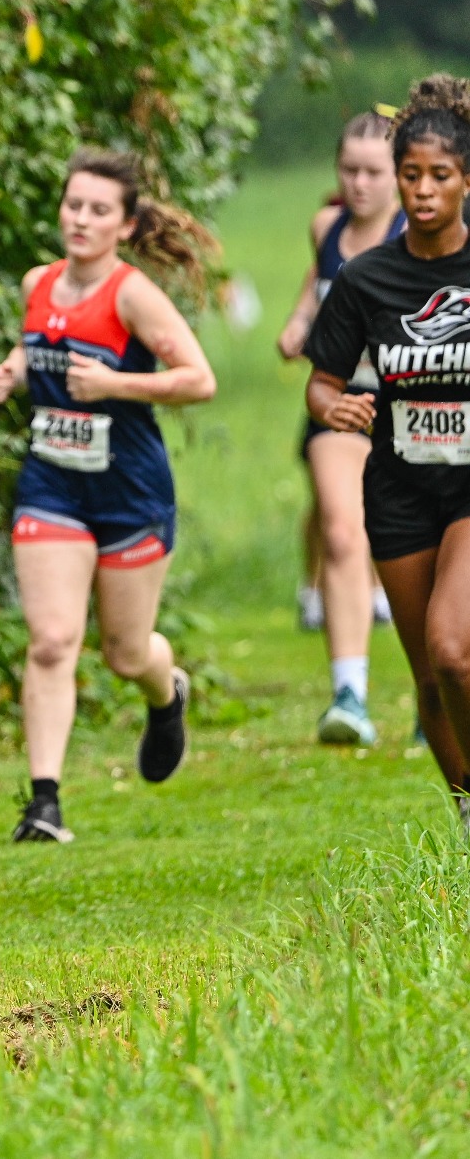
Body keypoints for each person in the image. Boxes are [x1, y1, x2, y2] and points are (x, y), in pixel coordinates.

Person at [0, 150, 218, 843]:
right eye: (73, 204)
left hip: (130, 491)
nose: (80, 219)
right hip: (52, 484)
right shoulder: (38, 282)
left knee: (124, 652)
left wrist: (117, 386)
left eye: (97, 209)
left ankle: (165, 689)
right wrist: (12, 373)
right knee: (53, 640)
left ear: (125, 223)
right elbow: (41, 349)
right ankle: (44, 803)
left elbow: (197, 379)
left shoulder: (130, 294)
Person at [306, 74, 470, 830]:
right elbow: (322, 383)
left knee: (453, 648)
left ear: (466, 179)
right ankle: (466, 807)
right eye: (413, 175)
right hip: (400, 492)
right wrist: (334, 406)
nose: (424, 190)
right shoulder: (367, 278)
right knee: (430, 685)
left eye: (440, 175)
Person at [277, 111, 405, 745]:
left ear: (399, 175)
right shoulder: (326, 226)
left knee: (420, 549)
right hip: (339, 401)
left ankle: (436, 697)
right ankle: (349, 696)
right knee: (340, 527)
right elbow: (316, 287)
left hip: (413, 409)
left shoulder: (425, 236)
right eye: (348, 170)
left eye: (373, 172)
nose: (358, 184)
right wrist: (299, 324)